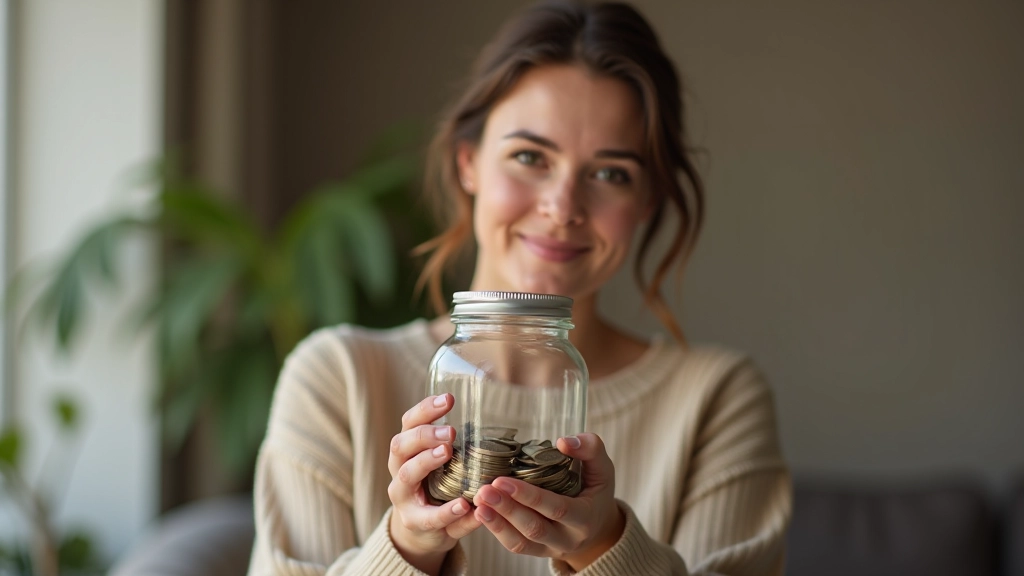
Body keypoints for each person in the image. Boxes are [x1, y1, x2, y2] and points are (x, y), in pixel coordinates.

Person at [247, 1, 791, 575]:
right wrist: (408, 546)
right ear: (469, 163)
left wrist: (602, 544)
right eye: (530, 157)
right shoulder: (337, 377)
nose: (562, 209)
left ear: (647, 202)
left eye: (611, 173)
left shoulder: (716, 399)